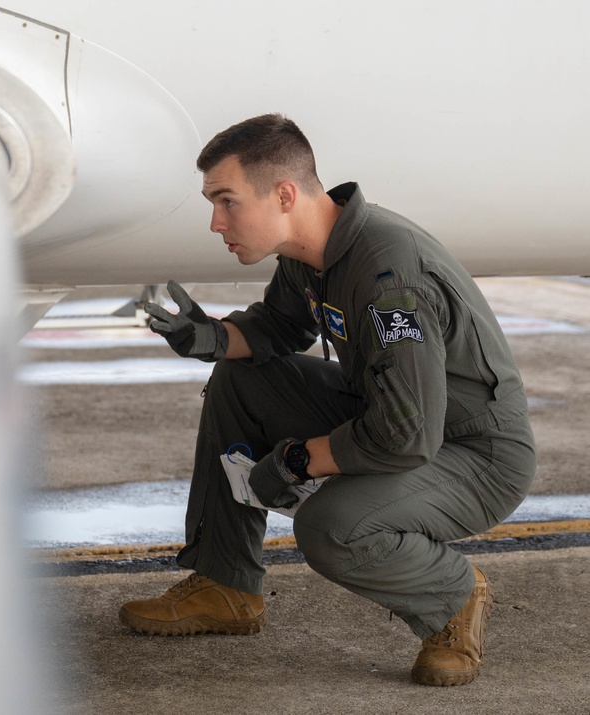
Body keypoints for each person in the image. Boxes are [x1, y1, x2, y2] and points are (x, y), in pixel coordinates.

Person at [118, 114, 536, 686]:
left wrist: (296, 460)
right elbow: (281, 328)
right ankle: (226, 585)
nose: (215, 222)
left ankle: (451, 595)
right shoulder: (308, 254)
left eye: (226, 201)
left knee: (331, 527)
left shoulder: (392, 281)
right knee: (239, 380)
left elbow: (406, 434)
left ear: (284, 194)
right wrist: (213, 338)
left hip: (473, 454)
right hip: (391, 412)